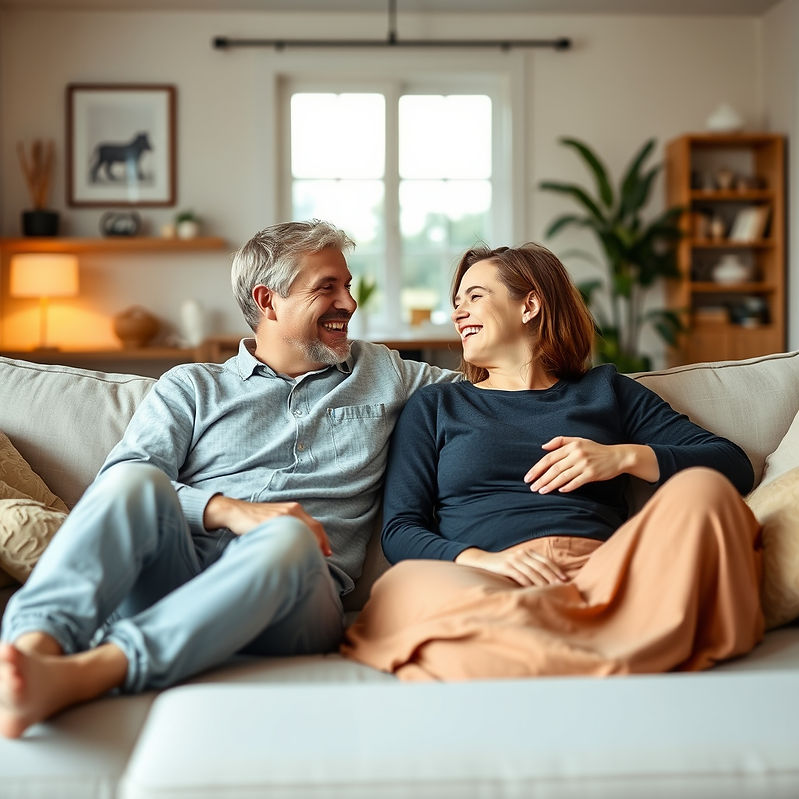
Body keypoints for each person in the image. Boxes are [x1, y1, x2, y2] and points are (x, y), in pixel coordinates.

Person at [0, 219, 461, 738]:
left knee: (285, 533)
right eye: (327, 287)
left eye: (347, 286)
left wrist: (575, 431)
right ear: (268, 300)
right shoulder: (192, 387)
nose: (349, 303)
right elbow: (118, 486)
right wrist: (228, 509)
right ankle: (29, 656)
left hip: (297, 599)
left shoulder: (387, 374)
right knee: (136, 482)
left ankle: (94, 671)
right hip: (180, 574)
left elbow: (500, 389)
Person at [342, 243, 764, 681]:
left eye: (475, 296)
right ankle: (614, 648)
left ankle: (528, 652)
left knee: (704, 492)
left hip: (603, 578)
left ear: (530, 304)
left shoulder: (607, 392)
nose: (458, 313)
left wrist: (622, 457)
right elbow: (401, 529)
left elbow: (732, 463)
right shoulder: (436, 405)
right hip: (486, 580)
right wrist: (482, 561)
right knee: (403, 587)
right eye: (456, 302)